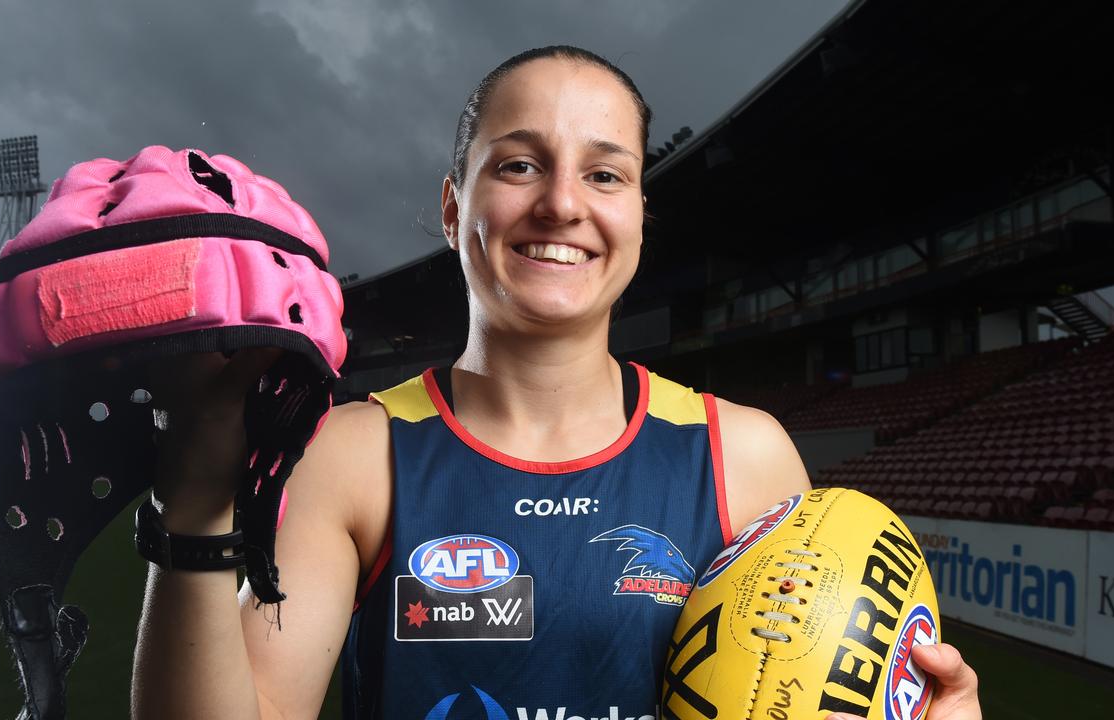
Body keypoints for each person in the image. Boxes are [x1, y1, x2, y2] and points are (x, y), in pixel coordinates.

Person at [131, 46, 981, 720]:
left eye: (605, 174)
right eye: (518, 166)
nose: (563, 204)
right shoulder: (355, 453)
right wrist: (196, 514)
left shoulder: (743, 455)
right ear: (452, 206)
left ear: (641, 214)